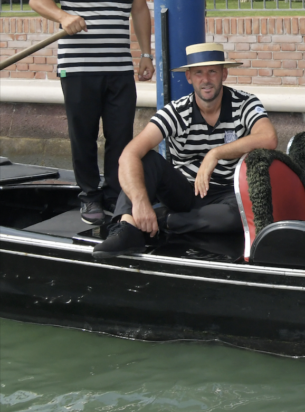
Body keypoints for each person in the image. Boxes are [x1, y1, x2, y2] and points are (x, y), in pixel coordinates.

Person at [28, 0, 154, 225]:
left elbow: (139, 10)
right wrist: (63, 16)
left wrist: (145, 54)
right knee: (82, 134)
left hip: (118, 68)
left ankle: (114, 194)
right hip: (79, 68)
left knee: (120, 135)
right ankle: (89, 196)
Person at [92, 43, 278, 257]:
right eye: (198, 73)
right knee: (145, 160)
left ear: (224, 74)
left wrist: (215, 154)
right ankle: (126, 227)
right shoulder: (176, 111)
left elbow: (268, 138)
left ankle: (161, 220)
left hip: (227, 193)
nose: (206, 80)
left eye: (212, 72)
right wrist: (141, 202)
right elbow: (129, 154)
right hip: (183, 191)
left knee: (244, 215)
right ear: (189, 77)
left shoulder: (245, 103)